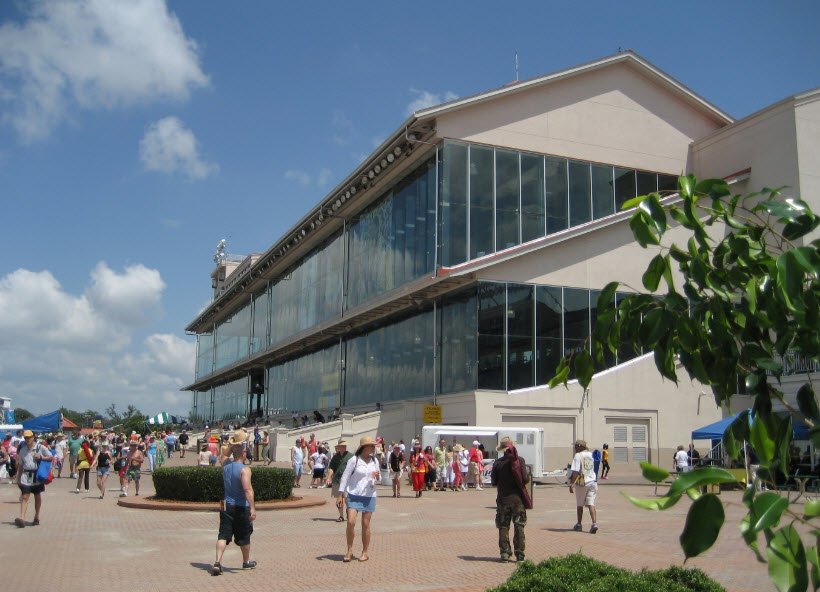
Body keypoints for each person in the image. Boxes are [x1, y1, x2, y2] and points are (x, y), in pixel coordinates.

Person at [212, 429, 257, 575]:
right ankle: (246, 562)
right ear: (243, 453)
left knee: (223, 534)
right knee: (244, 535)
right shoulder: (245, 470)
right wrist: (252, 508)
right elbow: (247, 489)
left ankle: (217, 562)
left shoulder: (225, 464)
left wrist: (231, 447)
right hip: (240, 506)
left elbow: (222, 456)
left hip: (224, 504)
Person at [337, 436, 381, 562]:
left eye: (373, 446)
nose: (372, 448)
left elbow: (380, 479)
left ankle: (365, 551)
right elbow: (345, 477)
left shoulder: (375, 461)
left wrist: (377, 477)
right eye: (370, 446)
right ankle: (349, 550)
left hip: (369, 495)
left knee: (365, 524)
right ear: (364, 447)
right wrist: (340, 494)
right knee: (350, 522)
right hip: (354, 494)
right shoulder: (354, 460)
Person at [491, 436, 533, 562]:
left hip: (503, 500)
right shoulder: (520, 460)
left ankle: (504, 553)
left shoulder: (497, 463)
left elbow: (494, 482)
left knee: (503, 527)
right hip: (517, 500)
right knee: (519, 526)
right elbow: (525, 479)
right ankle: (520, 554)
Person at [14, 430, 53, 528]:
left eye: (29, 437)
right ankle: (22, 518)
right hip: (26, 475)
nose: (27, 439)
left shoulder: (40, 447)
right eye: (25, 438)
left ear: (33, 437)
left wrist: (41, 457)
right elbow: (21, 465)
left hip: (37, 475)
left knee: (37, 495)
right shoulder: (22, 450)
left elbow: (51, 457)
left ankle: (36, 516)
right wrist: (18, 478)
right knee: (25, 496)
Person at [568, 439, 599, 533]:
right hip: (593, 482)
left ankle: (579, 524)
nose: (574, 448)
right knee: (591, 503)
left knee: (580, 504)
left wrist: (571, 484)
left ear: (580, 447)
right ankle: (594, 524)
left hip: (583, 483)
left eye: (576, 446)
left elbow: (575, 472)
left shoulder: (578, 455)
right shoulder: (590, 454)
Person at [326, 440, 353, 522]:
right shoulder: (335, 457)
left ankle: (349, 512)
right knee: (339, 498)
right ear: (338, 447)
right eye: (342, 446)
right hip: (337, 480)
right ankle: (341, 516)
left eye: (344, 446)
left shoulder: (351, 456)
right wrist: (329, 477)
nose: (343, 447)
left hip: (348, 482)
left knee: (347, 499)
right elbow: (331, 468)